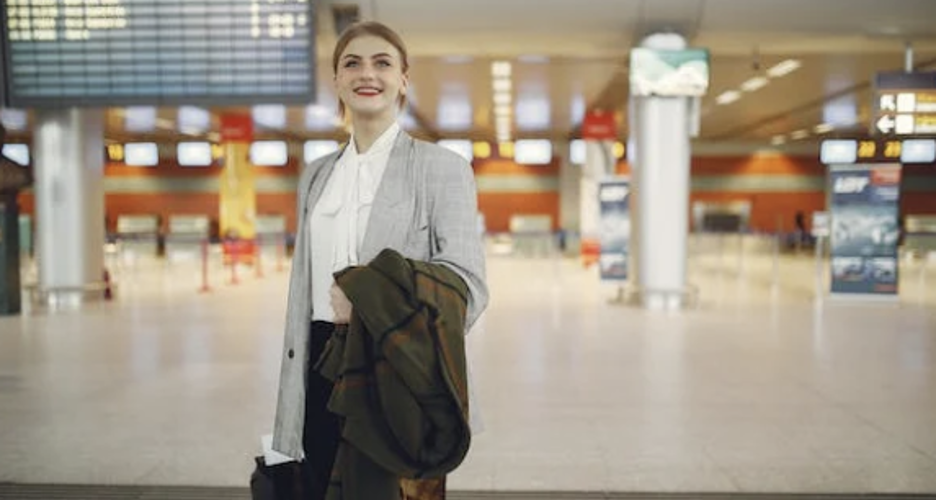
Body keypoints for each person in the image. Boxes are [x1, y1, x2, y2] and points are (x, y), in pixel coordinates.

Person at [270, 21, 488, 500]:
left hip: (393, 365)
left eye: (382, 63)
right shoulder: (316, 176)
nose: (366, 73)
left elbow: (468, 287)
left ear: (403, 80)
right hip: (316, 363)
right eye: (352, 63)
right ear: (337, 82)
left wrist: (371, 302)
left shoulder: (441, 169)